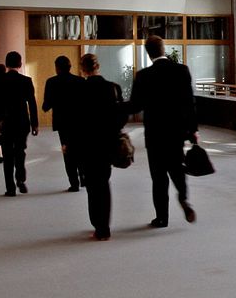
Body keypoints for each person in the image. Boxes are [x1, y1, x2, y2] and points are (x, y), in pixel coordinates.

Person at [125, 35, 198, 228]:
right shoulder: (182, 71)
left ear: (148, 53)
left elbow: (134, 106)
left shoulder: (143, 76)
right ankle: (183, 197)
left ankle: (162, 218)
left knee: (158, 177)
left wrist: (115, 108)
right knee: (176, 168)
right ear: (163, 49)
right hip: (176, 132)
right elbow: (189, 103)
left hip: (155, 133)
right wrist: (193, 130)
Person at [77, 53, 124, 241]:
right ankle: (104, 226)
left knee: (91, 184)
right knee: (104, 182)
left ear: (83, 69)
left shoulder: (80, 90)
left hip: (87, 143)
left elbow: (76, 121)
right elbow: (121, 116)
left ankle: (97, 223)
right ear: (98, 67)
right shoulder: (112, 88)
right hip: (107, 142)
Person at [0, 51, 38, 197]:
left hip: (5, 122)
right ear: (20, 64)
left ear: (6, 64)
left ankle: (10, 188)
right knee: (20, 151)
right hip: (22, 121)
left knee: (7, 154)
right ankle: (20, 179)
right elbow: (32, 104)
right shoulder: (26, 81)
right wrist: (34, 123)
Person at [42, 56, 86, 192]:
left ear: (57, 68)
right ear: (70, 67)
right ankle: (83, 176)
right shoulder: (80, 81)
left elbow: (46, 105)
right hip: (79, 122)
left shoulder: (51, 82)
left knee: (68, 153)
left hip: (63, 123)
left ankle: (74, 183)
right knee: (80, 149)